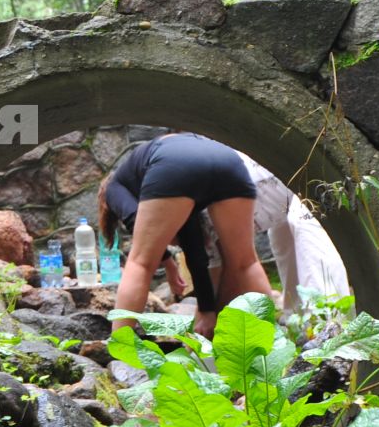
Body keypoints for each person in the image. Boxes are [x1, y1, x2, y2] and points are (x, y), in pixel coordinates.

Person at [97, 133, 273, 338]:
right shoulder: (155, 174)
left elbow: (137, 223)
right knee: (245, 263)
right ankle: (273, 348)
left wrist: (168, 263)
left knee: (140, 263)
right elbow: (194, 249)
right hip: (227, 158)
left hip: (175, 163)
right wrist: (207, 309)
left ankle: (119, 348)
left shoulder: (113, 188)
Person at [237, 152, 350, 315]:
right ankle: (297, 319)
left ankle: (329, 321)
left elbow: (243, 263)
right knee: (281, 238)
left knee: (307, 232)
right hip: (275, 184)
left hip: (302, 172)